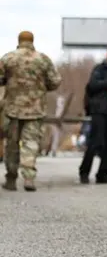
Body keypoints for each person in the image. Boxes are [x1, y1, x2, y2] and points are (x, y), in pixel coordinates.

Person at [0, 31, 61, 191]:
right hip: (35, 108)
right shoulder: (42, 59)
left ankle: (11, 178)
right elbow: (55, 82)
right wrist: (41, 87)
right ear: (32, 41)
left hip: (12, 108)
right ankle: (28, 178)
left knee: (11, 144)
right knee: (31, 142)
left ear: (19, 41)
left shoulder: (8, 58)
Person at [79, 44, 107, 184]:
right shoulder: (100, 69)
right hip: (99, 110)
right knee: (96, 142)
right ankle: (84, 172)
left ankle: (102, 174)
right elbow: (92, 86)